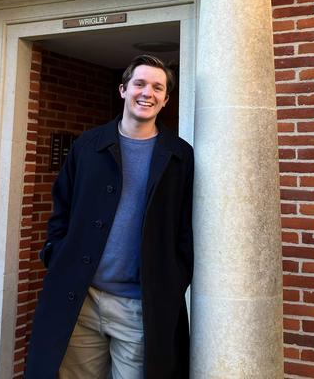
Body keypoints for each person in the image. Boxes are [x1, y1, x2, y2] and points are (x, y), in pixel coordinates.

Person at [25, 55, 194, 379]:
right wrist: (55, 253)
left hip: (139, 306)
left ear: (165, 100)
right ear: (123, 90)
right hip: (81, 299)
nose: (147, 93)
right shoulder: (88, 146)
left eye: (157, 87)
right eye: (139, 84)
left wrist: (171, 282)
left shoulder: (179, 156)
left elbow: (185, 229)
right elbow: (61, 208)